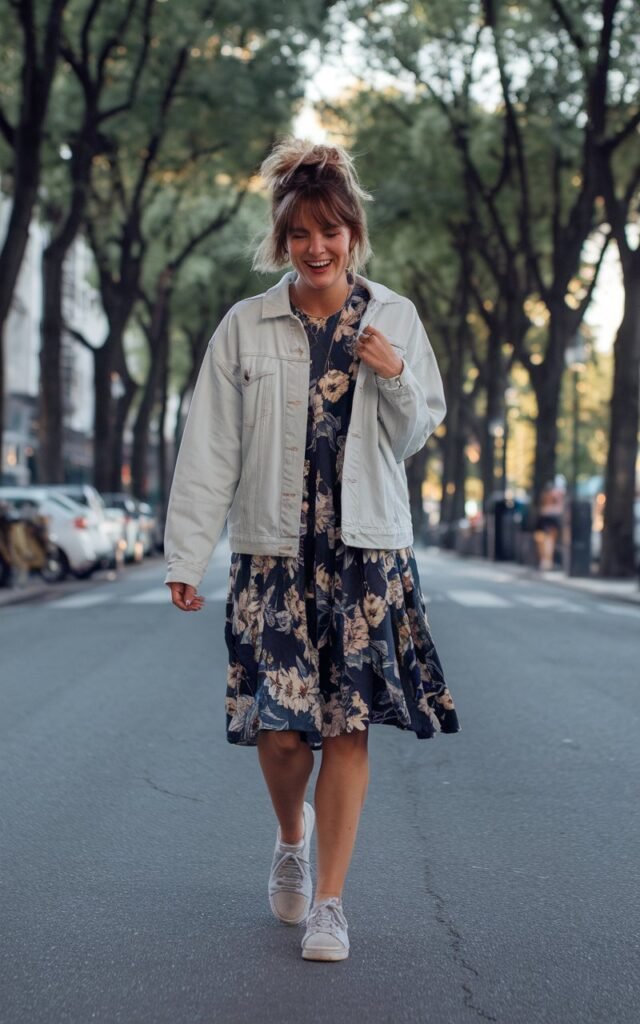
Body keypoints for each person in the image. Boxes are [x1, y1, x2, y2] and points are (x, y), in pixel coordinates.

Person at [164, 138, 461, 962]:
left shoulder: (392, 317)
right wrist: (186, 555)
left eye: (331, 231)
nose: (317, 247)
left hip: (366, 555)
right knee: (284, 732)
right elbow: (209, 448)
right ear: (283, 241)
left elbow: (420, 429)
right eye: (301, 234)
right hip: (274, 556)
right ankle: (289, 836)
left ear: (353, 234)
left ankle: (329, 901)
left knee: (349, 727)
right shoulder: (244, 326)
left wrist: (394, 372)